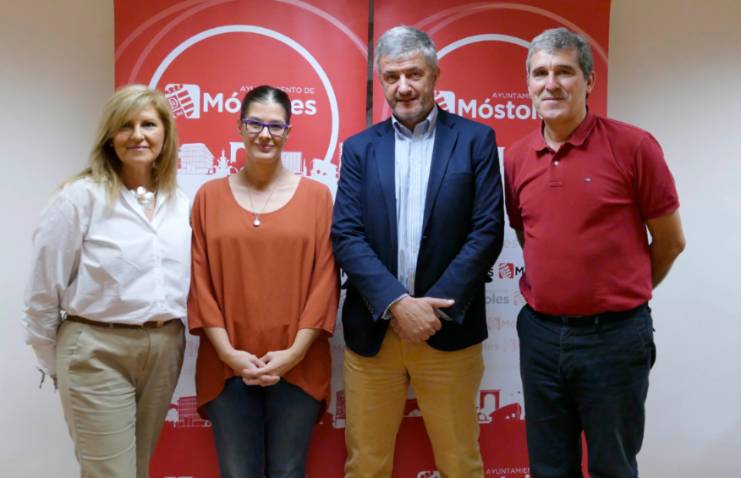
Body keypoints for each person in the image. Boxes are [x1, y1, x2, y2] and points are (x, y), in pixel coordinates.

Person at [505, 27, 686, 478]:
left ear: (589, 81)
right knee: (549, 468)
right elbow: (529, 236)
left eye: (564, 72)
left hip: (615, 339)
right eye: (540, 73)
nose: (551, 84)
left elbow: (671, 241)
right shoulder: (516, 157)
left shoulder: (634, 146)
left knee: (613, 467)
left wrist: (622, 292)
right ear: (528, 83)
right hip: (541, 336)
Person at [332, 25, 504, 478]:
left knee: (460, 464)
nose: (403, 87)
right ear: (382, 81)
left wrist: (430, 311)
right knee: (366, 465)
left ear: (435, 74)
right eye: (392, 77)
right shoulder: (359, 149)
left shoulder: (475, 140)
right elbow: (346, 234)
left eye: (414, 74)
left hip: (448, 330)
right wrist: (397, 304)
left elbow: (487, 231)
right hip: (374, 333)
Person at [23, 84, 190, 478]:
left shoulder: (179, 202)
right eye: (125, 126)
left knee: (137, 470)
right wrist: (57, 364)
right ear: (110, 137)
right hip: (97, 351)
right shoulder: (79, 199)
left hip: (164, 348)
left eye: (148, 124)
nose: (137, 135)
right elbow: (42, 294)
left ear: (165, 134)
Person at [188, 85, 339, 478]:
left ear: (288, 132)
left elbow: (325, 282)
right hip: (226, 365)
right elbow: (200, 284)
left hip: (299, 364)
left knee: (289, 471)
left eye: (275, 126)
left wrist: (294, 353)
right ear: (240, 127)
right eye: (255, 124)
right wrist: (229, 354)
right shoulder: (208, 197)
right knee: (238, 473)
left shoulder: (318, 198)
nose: (264, 134)